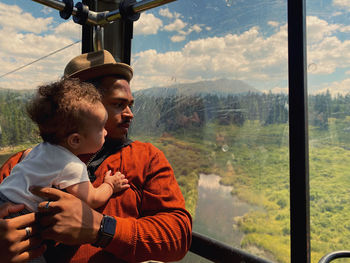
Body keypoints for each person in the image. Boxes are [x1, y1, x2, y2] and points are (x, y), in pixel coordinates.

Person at [0, 50, 192, 263]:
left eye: (130, 104)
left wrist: (101, 228)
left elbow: (178, 236)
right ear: (83, 109)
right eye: (118, 104)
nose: (130, 114)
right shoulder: (21, 161)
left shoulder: (146, 158)